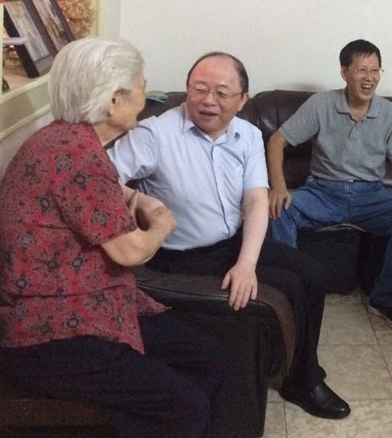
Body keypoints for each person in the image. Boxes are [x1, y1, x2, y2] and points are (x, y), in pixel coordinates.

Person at [0, 37, 227, 438]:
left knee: (208, 357)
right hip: (51, 336)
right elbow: (131, 252)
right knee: (185, 407)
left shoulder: (67, 140)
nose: (145, 97)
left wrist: (136, 197)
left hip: (90, 306)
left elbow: (97, 190)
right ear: (114, 100)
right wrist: (162, 225)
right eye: (141, 87)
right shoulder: (75, 155)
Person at [108, 51, 351, 420]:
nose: (208, 100)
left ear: (242, 100)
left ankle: (301, 374)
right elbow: (99, 175)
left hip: (232, 243)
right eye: (199, 89)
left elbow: (256, 200)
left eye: (222, 93)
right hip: (181, 258)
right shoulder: (155, 134)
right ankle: (300, 375)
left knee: (313, 275)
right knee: (287, 284)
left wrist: (246, 263)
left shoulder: (248, 135)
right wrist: (138, 199)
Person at [267, 39, 392, 332]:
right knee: (277, 211)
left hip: (372, 195)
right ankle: (290, 295)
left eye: (375, 70)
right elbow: (276, 141)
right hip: (323, 192)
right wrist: (278, 187)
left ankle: (385, 299)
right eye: (361, 70)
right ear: (344, 72)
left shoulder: (390, 113)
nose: (369, 78)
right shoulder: (321, 104)